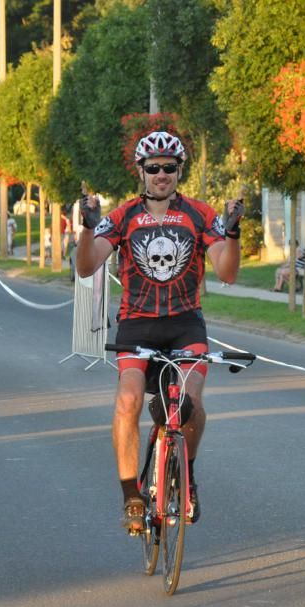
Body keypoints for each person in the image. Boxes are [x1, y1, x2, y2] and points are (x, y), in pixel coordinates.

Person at [75, 130, 243, 532]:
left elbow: (227, 272)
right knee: (128, 401)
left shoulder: (201, 214)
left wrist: (233, 233)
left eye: (170, 167)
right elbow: (85, 267)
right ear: (141, 172)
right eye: (154, 168)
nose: (162, 175)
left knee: (191, 406)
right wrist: (86, 228)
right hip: (138, 325)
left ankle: (187, 473)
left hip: (186, 324)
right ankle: (132, 494)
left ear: (179, 170)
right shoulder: (123, 217)